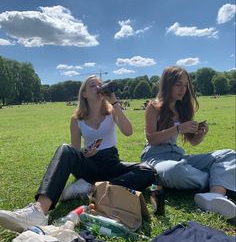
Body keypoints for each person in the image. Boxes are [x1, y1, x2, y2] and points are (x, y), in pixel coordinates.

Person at [0, 75, 156, 233]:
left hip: (111, 163)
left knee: (148, 170)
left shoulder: (111, 111)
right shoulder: (77, 119)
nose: (98, 88)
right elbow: (75, 150)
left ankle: (90, 188)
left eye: (100, 85)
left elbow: (128, 132)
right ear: (84, 94)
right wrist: (85, 152)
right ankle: (38, 211)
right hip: (89, 165)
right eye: (92, 86)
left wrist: (114, 102)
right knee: (65, 149)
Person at [141, 66, 236, 219]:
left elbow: (193, 142)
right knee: (175, 170)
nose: (183, 89)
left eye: (185, 85)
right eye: (178, 84)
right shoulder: (153, 107)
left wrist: (201, 134)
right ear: (167, 84)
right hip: (155, 157)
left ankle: (215, 196)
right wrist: (178, 128)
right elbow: (151, 138)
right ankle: (219, 180)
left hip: (178, 155)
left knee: (228, 154)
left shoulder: (183, 108)